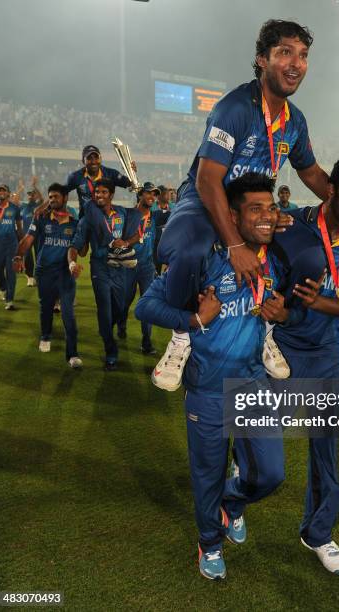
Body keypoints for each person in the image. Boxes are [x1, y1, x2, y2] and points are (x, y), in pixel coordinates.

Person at [136, 173, 299, 580]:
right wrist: (194, 317)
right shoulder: (202, 258)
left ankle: (233, 503)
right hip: (206, 389)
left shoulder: (275, 259)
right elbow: (147, 306)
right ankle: (209, 542)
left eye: (271, 207)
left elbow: (287, 307)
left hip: (253, 383)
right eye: (256, 208)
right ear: (232, 216)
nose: (267, 216)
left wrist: (283, 314)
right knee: (206, 473)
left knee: (272, 474)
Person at [154, 19, 331, 391]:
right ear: (262, 60)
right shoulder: (234, 107)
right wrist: (235, 244)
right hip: (207, 200)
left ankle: (267, 327)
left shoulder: (294, 121)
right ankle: (182, 336)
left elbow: (311, 172)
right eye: (285, 52)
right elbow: (207, 179)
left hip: (257, 209)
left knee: (312, 255)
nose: (296, 63)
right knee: (188, 248)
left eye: (302, 55)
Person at [273, 154, 339, 576]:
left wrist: (317, 300)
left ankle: (318, 532)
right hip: (281, 347)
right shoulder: (291, 225)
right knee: (260, 440)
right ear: (331, 189)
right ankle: (238, 494)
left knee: (326, 445)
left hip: (329, 351)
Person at [68, 179, 139, 371]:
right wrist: (72, 262)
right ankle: (111, 353)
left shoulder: (123, 213)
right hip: (100, 268)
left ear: (111, 195)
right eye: (96, 192)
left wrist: (125, 244)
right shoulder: (87, 219)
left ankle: (113, 325)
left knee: (122, 306)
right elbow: (75, 246)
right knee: (105, 311)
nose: (99, 195)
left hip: (121, 268)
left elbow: (135, 236)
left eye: (104, 192)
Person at [13, 184, 82, 367]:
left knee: (68, 313)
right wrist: (19, 256)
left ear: (65, 199)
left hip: (65, 274)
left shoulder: (75, 224)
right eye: (50, 197)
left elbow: (78, 249)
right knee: (46, 307)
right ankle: (45, 335)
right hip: (44, 272)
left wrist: (73, 262)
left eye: (55, 197)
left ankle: (73, 355)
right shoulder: (41, 219)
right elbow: (28, 239)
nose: (52, 200)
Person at [117, 182, 158, 354]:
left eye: (154, 194)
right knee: (125, 301)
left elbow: (154, 242)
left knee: (147, 303)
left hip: (147, 267)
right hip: (129, 265)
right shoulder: (128, 215)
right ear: (140, 195)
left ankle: (146, 341)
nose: (152, 197)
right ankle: (121, 323)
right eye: (148, 193)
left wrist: (155, 265)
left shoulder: (153, 218)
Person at [0, 184, 22, 310]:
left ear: (8, 193)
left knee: (11, 272)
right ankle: (4, 289)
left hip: (11, 244)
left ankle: (10, 300)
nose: (1, 192)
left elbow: (19, 226)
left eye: (3, 190)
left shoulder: (15, 208)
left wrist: (22, 243)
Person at [20, 177, 44, 287]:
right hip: (28, 236)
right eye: (29, 194)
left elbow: (42, 199)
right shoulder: (23, 207)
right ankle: (30, 277)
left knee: (39, 256)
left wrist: (35, 186)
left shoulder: (39, 205)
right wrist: (20, 189)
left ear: (35, 196)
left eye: (32, 194)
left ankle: (38, 276)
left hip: (38, 236)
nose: (30, 196)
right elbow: (13, 202)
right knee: (28, 256)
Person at [152, 185, 172, 275]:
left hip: (170, 242)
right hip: (155, 242)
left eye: (169, 194)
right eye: (166, 194)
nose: (169, 196)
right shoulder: (152, 207)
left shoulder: (174, 207)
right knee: (156, 268)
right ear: (159, 196)